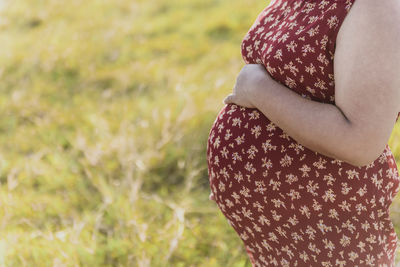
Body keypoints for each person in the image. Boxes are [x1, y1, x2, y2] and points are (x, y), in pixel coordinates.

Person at [206, 0, 400, 266]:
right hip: (279, 232)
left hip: (328, 232)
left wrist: (257, 88)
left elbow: (361, 142)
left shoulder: (375, 8)